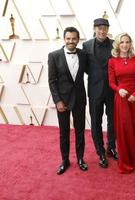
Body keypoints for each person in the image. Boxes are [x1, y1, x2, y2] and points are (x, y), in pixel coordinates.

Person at [48, 27, 88, 175]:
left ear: (78, 39)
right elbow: (52, 81)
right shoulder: (54, 56)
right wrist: (57, 100)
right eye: (68, 38)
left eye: (74, 39)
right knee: (64, 132)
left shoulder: (84, 55)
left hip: (79, 99)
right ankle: (65, 160)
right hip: (62, 101)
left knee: (80, 131)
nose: (71, 41)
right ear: (64, 39)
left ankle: (80, 159)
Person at [108, 33, 135, 173]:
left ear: (130, 43)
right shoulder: (112, 61)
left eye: (127, 42)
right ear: (118, 44)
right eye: (122, 42)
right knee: (124, 130)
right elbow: (111, 82)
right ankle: (126, 163)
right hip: (121, 99)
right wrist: (119, 90)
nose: (124, 44)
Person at [82, 18, 117, 168]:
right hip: (94, 90)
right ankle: (100, 152)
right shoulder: (86, 45)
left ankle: (111, 147)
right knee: (96, 122)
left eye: (105, 28)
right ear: (94, 29)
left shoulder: (115, 44)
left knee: (112, 121)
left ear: (107, 29)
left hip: (112, 89)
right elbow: (85, 66)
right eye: (99, 28)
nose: (102, 31)